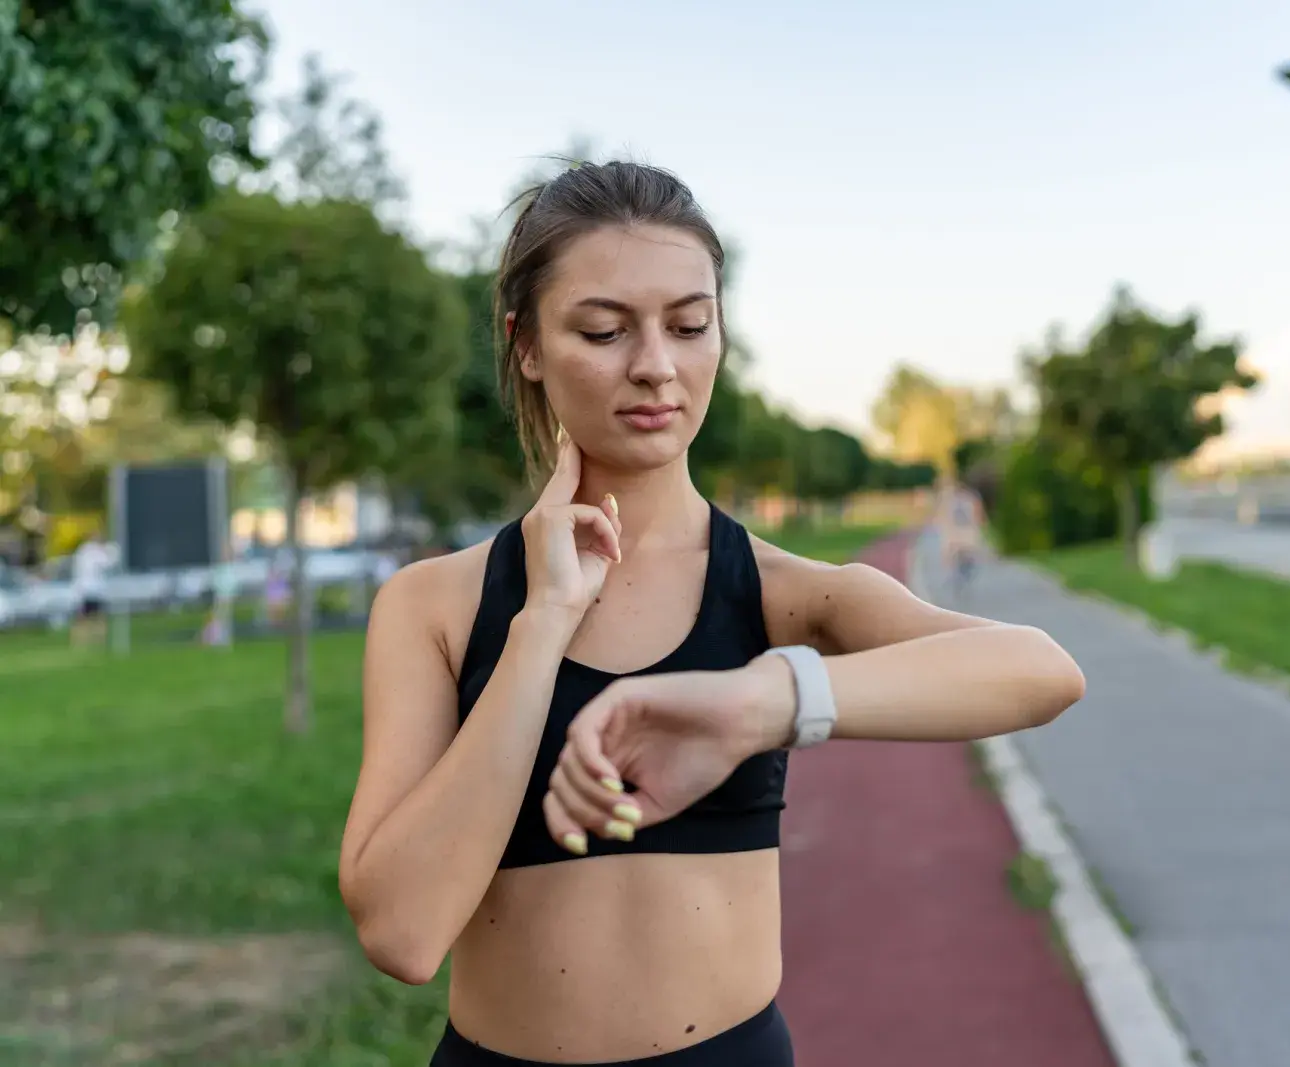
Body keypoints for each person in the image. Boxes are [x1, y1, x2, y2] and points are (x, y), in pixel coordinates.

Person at [337, 161, 1086, 1067]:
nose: (656, 367)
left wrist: (763, 701)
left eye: (690, 325)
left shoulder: (782, 591)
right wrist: (541, 625)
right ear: (526, 346)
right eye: (605, 330)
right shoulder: (435, 605)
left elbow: (1043, 672)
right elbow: (403, 934)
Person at [68, 533, 115, 647]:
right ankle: (92, 641)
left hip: (88, 589)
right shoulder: (95, 552)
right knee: (94, 617)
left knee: (89, 617)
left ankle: (84, 641)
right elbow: (108, 564)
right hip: (91, 589)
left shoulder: (84, 550)